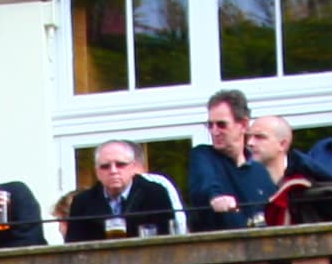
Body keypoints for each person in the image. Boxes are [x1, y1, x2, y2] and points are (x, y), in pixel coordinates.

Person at [60, 139, 181, 241]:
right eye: (105, 166)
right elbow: (75, 248)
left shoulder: (155, 194)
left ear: (133, 167)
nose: (113, 171)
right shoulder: (82, 202)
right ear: (97, 171)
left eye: (120, 164)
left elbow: (167, 241)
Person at [185, 88, 270, 231]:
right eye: (210, 125)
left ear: (243, 125)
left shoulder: (260, 170)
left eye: (221, 125)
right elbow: (205, 183)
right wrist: (215, 198)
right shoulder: (203, 155)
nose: (214, 131)